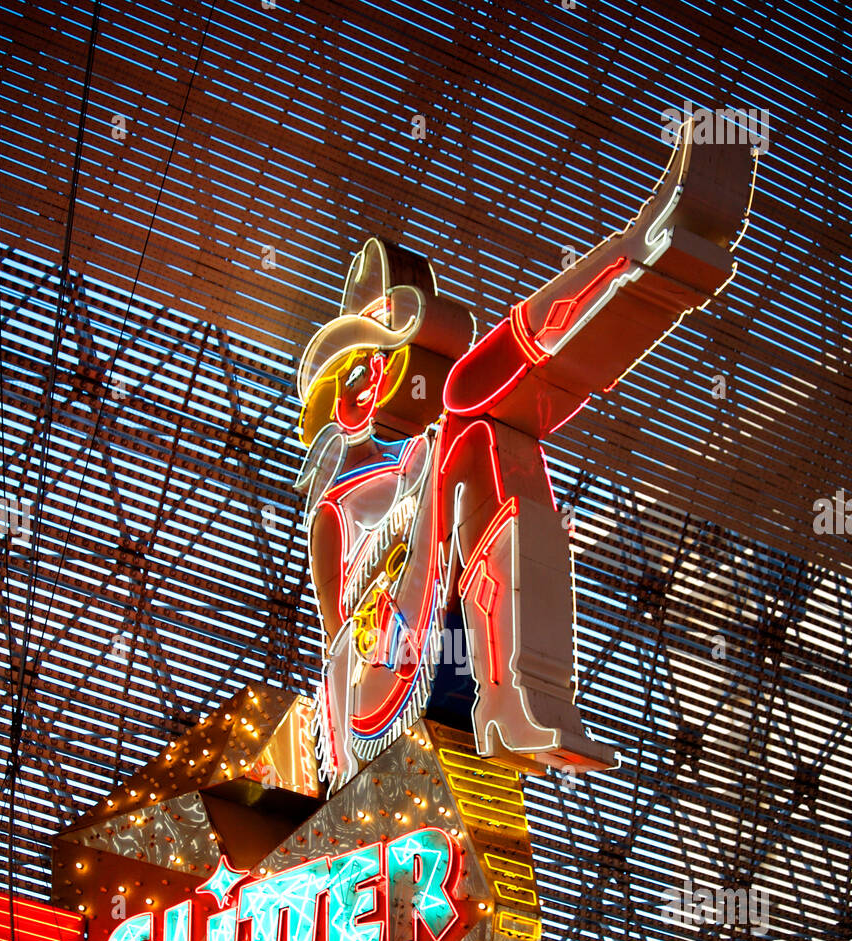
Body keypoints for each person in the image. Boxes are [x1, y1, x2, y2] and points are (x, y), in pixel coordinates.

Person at [295, 118, 756, 786]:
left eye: (373, 358)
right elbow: (348, 626)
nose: (367, 378)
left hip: (412, 641)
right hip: (372, 686)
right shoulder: (332, 511)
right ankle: (644, 257)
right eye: (352, 368)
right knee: (470, 408)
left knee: (479, 422)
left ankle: (646, 255)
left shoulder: (418, 452)